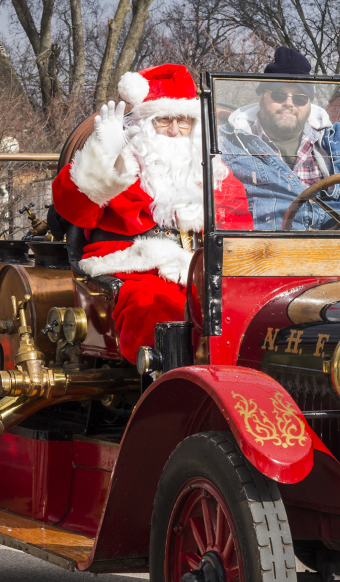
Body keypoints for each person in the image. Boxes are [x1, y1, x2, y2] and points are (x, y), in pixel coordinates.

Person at [51, 63, 251, 361]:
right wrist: (101, 156)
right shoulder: (122, 166)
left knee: (252, 309)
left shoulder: (216, 175)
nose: (174, 131)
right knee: (157, 308)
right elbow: (71, 211)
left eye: (183, 121)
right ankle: (172, 387)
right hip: (136, 269)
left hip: (203, 271)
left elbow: (241, 234)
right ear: (145, 123)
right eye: (163, 120)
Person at [219, 47, 340, 230]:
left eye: (300, 98)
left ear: (309, 104)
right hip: (269, 255)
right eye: (279, 95)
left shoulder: (339, 138)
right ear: (261, 98)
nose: (289, 103)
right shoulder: (228, 143)